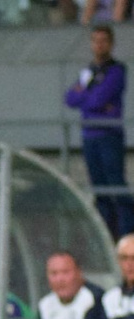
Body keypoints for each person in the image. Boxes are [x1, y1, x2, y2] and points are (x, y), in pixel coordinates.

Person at [66, 26, 134, 239]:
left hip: (108, 135)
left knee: (115, 186)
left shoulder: (116, 70)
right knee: (99, 189)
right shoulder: (89, 71)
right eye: (95, 40)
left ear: (111, 44)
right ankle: (107, 236)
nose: (99, 45)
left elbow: (97, 99)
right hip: (90, 136)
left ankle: (127, 234)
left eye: (103, 41)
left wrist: (86, 96)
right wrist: (90, 97)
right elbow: (70, 99)